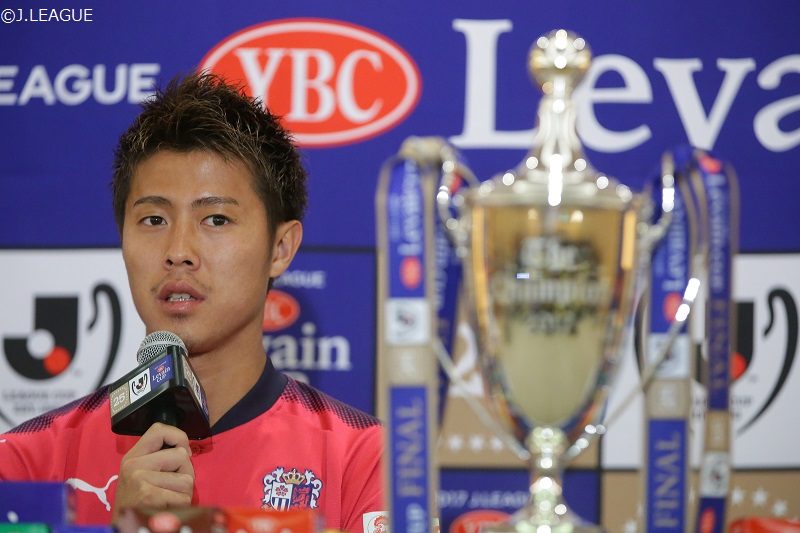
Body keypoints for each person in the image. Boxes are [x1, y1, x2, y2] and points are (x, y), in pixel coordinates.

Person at [0, 72, 386, 533]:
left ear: (280, 248)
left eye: (216, 219)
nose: (178, 250)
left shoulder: (364, 459)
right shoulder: (25, 463)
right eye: (153, 219)